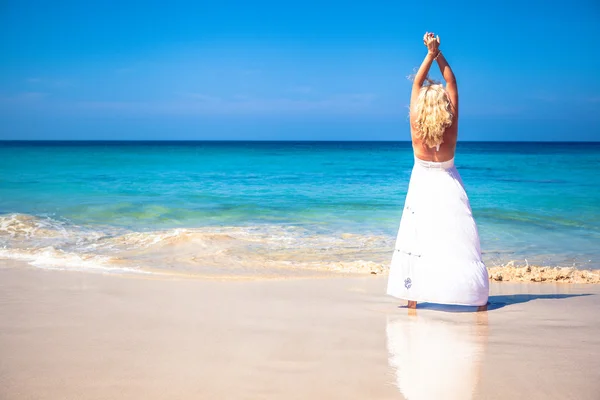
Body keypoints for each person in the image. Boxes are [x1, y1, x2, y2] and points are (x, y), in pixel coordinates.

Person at [386, 32, 489, 311]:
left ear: (420, 106)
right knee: (461, 239)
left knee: (418, 238)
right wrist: (439, 53)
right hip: (448, 182)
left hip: (421, 184)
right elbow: (452, 81)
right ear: (444, 105)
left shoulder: (416, 125)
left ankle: (413, 299)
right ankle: (478, 300)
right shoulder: (451, 126)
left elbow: (418, 82)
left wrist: (429, 53)